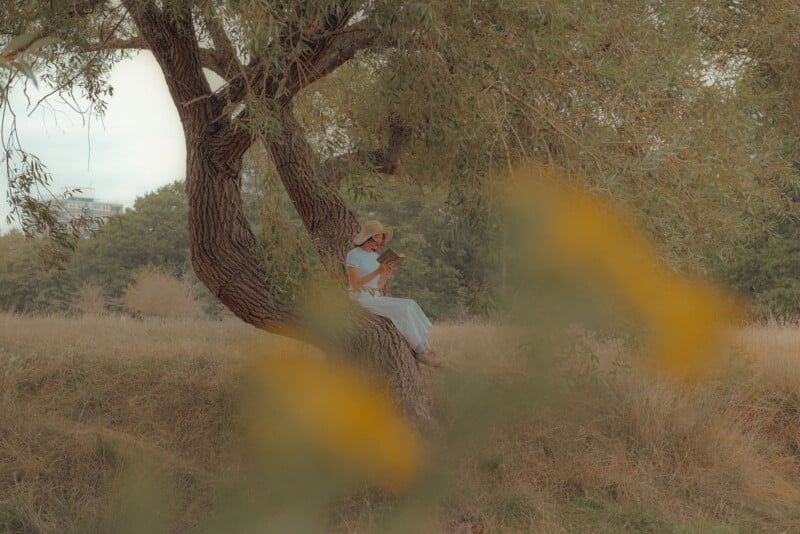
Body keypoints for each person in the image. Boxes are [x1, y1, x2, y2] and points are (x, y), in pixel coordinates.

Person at [345, 220, 439, 366]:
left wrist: (386, 273)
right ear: (366, 237)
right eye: (375, 238)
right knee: (401, 309)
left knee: (410, 304)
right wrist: (378, 271)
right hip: (360, 298)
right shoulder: (353, 255)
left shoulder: (374, 257)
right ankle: (421, 350)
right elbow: (355, 284)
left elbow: (378, 286)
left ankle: (425, 346)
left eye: (381, 238)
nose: (379, 241)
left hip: (375, 296)